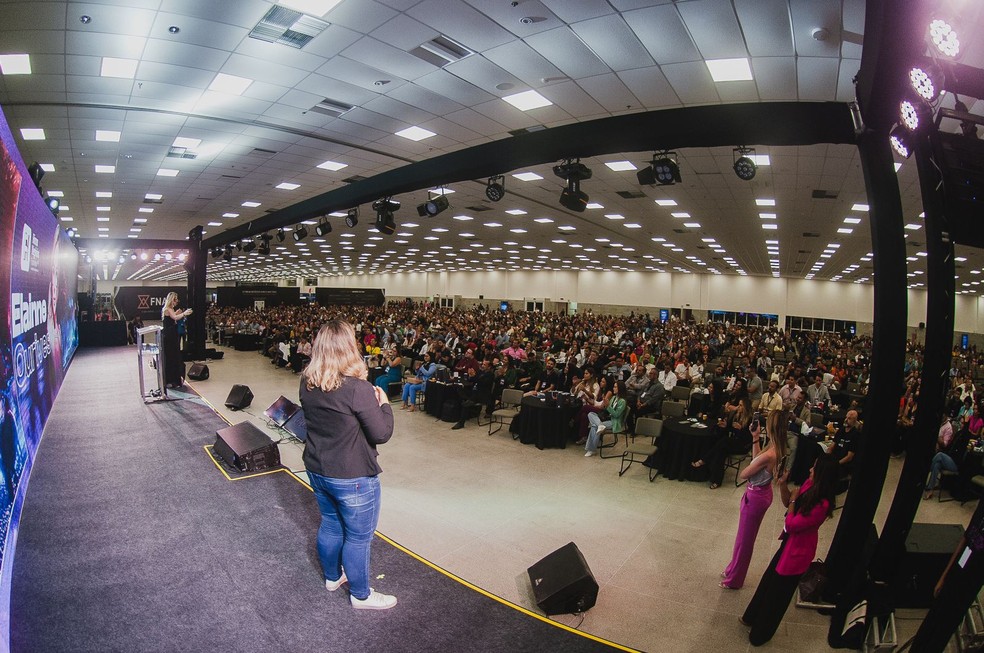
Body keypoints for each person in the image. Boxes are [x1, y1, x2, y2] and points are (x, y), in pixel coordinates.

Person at [299, 319, 396, 610]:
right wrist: (385, 404)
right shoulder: (358, 388)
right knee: (358, 538)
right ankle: (361, 595)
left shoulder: (306, 382)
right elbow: (382, 433)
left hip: (317, 468)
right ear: (349, 348)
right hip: (352, 475)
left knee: (330, 524)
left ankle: (332, 577)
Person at [741, 454, 839, 646]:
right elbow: (788, 504)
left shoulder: (823, 503)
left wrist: (794, 501)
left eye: (814, 467)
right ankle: (751, 617)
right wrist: (784, 485)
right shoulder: (809, 485)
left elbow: (792, 524)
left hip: (797, 553)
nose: (810, 469)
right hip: (788, 544)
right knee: (769, 582)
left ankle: (760, 634)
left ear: (822, 473)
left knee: (778, 594)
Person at [720, 409, 791, 589]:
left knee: (745, 541)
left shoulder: (770, 454)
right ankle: (732, 568)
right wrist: (755, 437)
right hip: (761, 493)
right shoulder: (776, 448)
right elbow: (756, 460)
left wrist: (752, 465)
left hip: (756, 496)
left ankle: (735, 580)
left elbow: (745, 472)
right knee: (743, 538)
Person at [584, 379, 628, 457]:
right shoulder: (614, 398)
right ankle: (600, 425)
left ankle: (591, 450)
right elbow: (607, 410)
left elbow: (616, 415)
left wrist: (608, 406)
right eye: (614, 387)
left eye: (615, 387)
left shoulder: (622, 401)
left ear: (620, 389)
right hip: (607, 419)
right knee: (590, 414)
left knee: (594, 426)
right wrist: (605, 404)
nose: (613, 388)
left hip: (614, 422)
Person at [161, 292, 192, 388]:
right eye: (175, 299)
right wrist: (183, 313)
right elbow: (174, 317)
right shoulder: (167, 309)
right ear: (171, 300)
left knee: (174, 357)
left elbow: (173, 317)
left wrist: (178, 313)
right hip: (170, 336)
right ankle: (171, 379)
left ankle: (175, 379)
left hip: (172, 335)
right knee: (171, 357)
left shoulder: (170, 309)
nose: (176, 301)